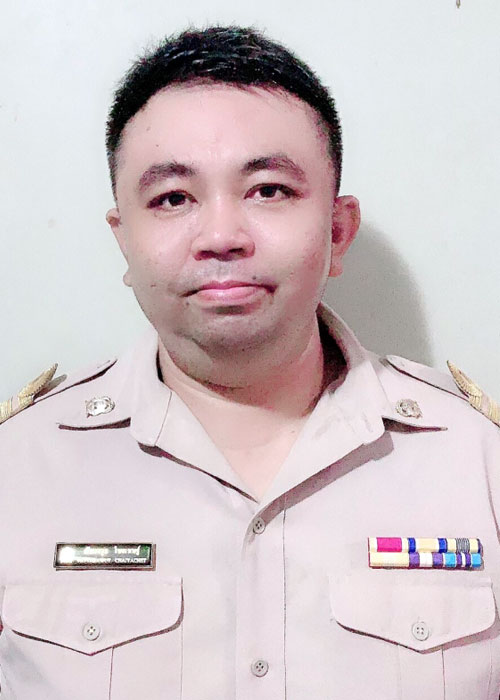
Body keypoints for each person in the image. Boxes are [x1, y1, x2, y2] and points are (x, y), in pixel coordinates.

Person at [0, 25, 499, 700]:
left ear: (337, 231)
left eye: (267, 190)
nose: (221, 236)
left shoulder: (479, 462)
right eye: (173, 198)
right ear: (124, 241)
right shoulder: (18, 467)